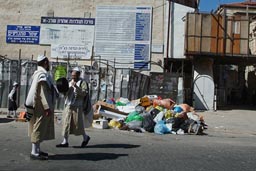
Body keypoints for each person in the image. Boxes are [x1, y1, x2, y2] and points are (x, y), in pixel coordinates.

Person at [25, 55, 57, 160]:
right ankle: (34, 152)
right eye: (48, 62)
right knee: (38, 127)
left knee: (40, 127)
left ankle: (37, 150)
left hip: (41, 106)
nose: (49, 64)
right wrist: (47, 107)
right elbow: (42, 93)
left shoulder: (39, 74)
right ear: (45, 63)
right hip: (41, 106)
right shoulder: (41, 75)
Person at [56, 67, 91, 148]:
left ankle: (85, 138)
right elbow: (66, 94)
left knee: (78, 125)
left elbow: (84, 93)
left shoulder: (82, 83)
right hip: (68, 106)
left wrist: (76, 87)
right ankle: (65, 141)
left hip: (77, 107)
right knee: (66, 123)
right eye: (72, 75)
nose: (73, 77)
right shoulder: (69, 83)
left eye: (74, 76)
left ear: (78, 75)